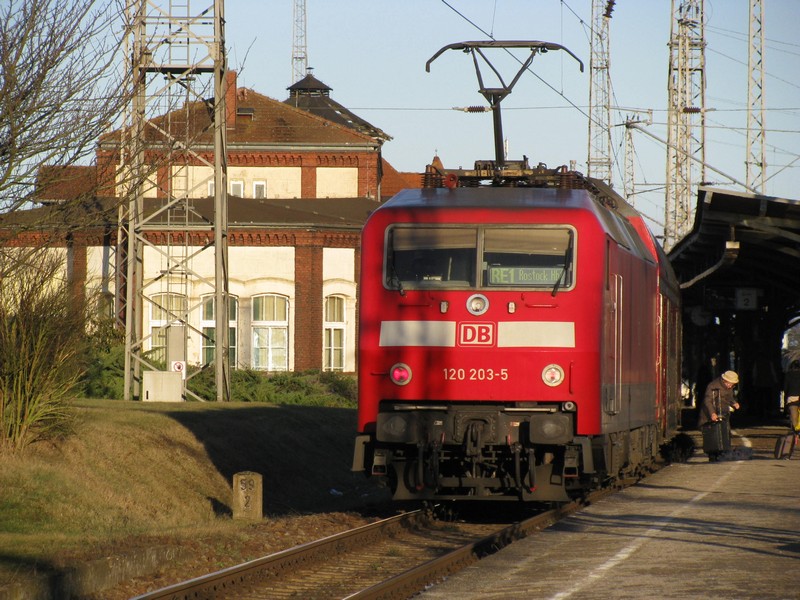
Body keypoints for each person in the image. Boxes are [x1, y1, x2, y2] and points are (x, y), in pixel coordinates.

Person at [697, 370, 741, 461]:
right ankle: (713, 455)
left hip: (723, 413)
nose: (731, 386)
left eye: (733, 385)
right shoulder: (713, 386)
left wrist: (734, 403)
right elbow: (707, 401)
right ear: (725, 380)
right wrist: (712, 413)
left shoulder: (729, 387)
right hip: (711, 414)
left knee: (724, 433)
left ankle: (723, 452)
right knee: (713, 435)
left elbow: (729, 397)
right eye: (730, 384)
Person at [783, 361, 800, 432]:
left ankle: (795, 435)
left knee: (794, 419)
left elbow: (785, 388)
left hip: (792, 398)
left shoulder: (788, 375)